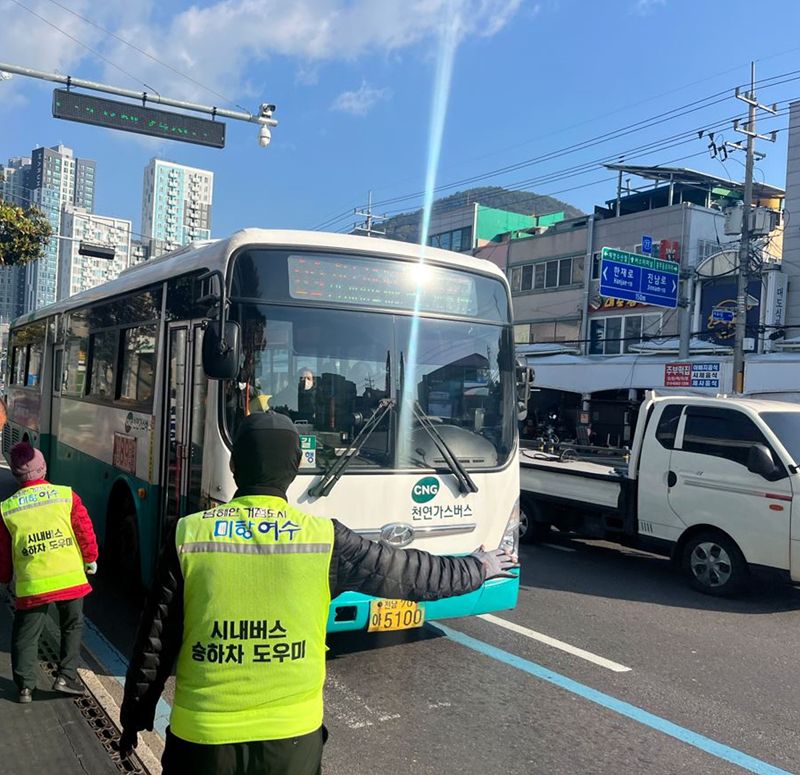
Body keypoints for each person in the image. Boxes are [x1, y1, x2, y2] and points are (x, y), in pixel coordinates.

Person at [119, 411, 518, 774]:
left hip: (202, 740)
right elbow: (412, 575)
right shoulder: (326, 539)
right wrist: (477, 567)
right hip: (291, 741)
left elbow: (155, 640)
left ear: (235, 465)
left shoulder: (189, 533)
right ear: (293, 472)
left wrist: (135, 718)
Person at [0, 442, 98, 703]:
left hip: (33, 584)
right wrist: (90, 559)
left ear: (16, 475)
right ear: (43, 469)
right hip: (70, 577)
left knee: (26, 633)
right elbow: (83, 529)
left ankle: (25, 687)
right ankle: (65, 676)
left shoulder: (8, 508)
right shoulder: (66, 495)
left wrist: (5, 578)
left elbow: (3, 551)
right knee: (72, 624)